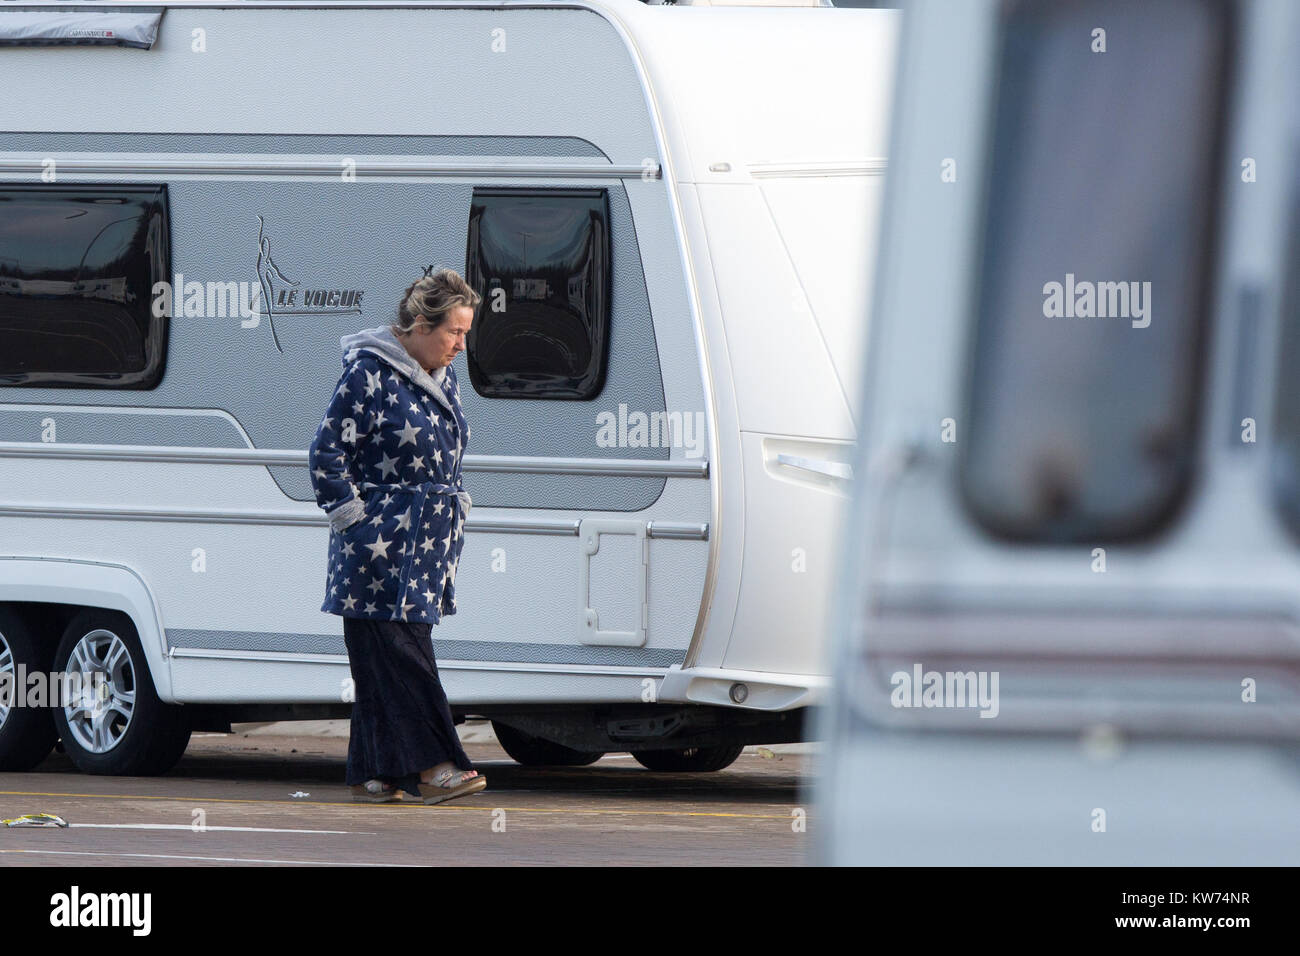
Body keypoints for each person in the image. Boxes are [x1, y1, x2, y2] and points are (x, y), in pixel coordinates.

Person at [308, 268, 486, 805]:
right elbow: (325, 454)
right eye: (453, 331)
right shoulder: (368, 374)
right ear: (418, 324)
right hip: (377, 553)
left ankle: (373, 773)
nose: (460, 344)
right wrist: (357, 525)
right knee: (406, 659)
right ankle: (435, 766)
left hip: (422, 551)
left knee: (380, 662)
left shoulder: (441, 376)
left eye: (465, 333)